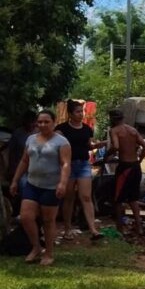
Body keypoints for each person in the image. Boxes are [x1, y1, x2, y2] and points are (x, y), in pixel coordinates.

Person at [8, 110, 70, 266]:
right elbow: (24, 161)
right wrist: (15, 180)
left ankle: (49, 253)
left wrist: (62, 183)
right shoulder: (30, 139)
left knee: (48, 221)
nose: (42, 125)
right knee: (26, 217)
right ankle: (36, 247)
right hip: (32, 184)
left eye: (46, 122)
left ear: (53, 123)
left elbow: (65, 164)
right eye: (40, 122)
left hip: (50, 186)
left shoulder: (61, 142)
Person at [57, 100, 102, 242]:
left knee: (86, 197)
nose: (80, 114)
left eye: (81, 111)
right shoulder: (61, 129)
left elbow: (88, 146)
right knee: (69, 197)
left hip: (83, 164)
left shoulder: (87, 129)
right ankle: (67, 228)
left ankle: (93, 229)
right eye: (77, 112)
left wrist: (100, 144)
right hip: (68, 165)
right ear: (70, 114)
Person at [106, 109, 145, 236]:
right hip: (136, 166)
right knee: (133, 199)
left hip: (125, 167)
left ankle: (120, 228)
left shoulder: (114, 131)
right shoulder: (132, 130)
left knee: (118, 199)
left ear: (113, 119)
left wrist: (106, 155)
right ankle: (139, 227)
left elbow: (115, 146)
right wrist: (140, 159)